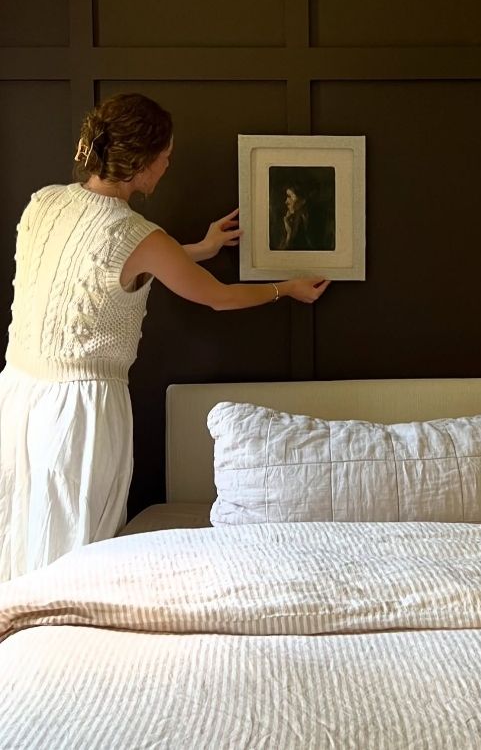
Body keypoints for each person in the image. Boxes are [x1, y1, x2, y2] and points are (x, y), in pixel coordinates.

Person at [0, 93, 330, 582]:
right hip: (81, 407)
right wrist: (286, 288)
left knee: (19, 523)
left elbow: (96, 266)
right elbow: (216, 297)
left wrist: (199, 247)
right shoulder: (137, 233)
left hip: (20, 391)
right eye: (166, 158)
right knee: (73, 543)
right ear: (142, 164)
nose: (168, 166)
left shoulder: (44, 203)